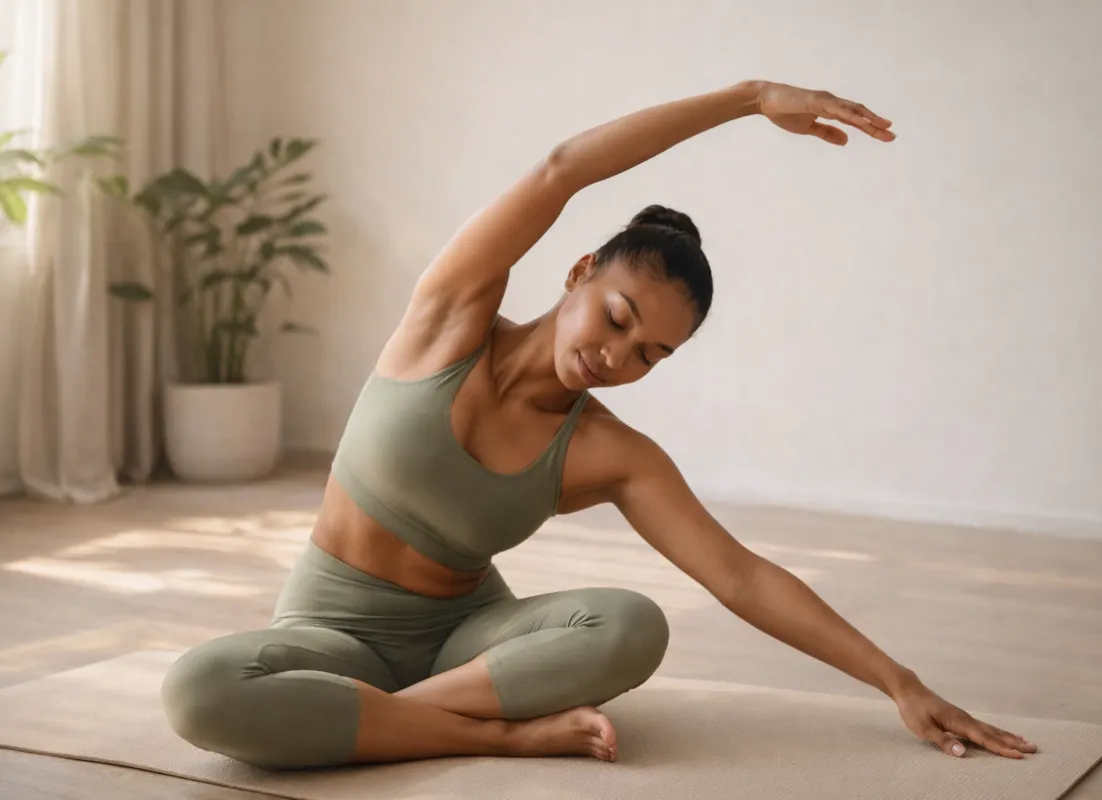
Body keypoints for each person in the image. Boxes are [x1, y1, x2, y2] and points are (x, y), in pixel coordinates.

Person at [161, 79, 1038, 770]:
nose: (617, 357)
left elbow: (739, 576)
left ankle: (382, 724)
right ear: (580, 271)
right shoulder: (448, 321)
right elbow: (561, 170)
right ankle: (490, 736)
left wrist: (899, 682)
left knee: (632, 625)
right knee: (199, 692)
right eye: (618, 318)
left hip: (468, 647)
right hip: (328, 633)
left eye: (650, 354)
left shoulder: (606, 451)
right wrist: (747, 97)